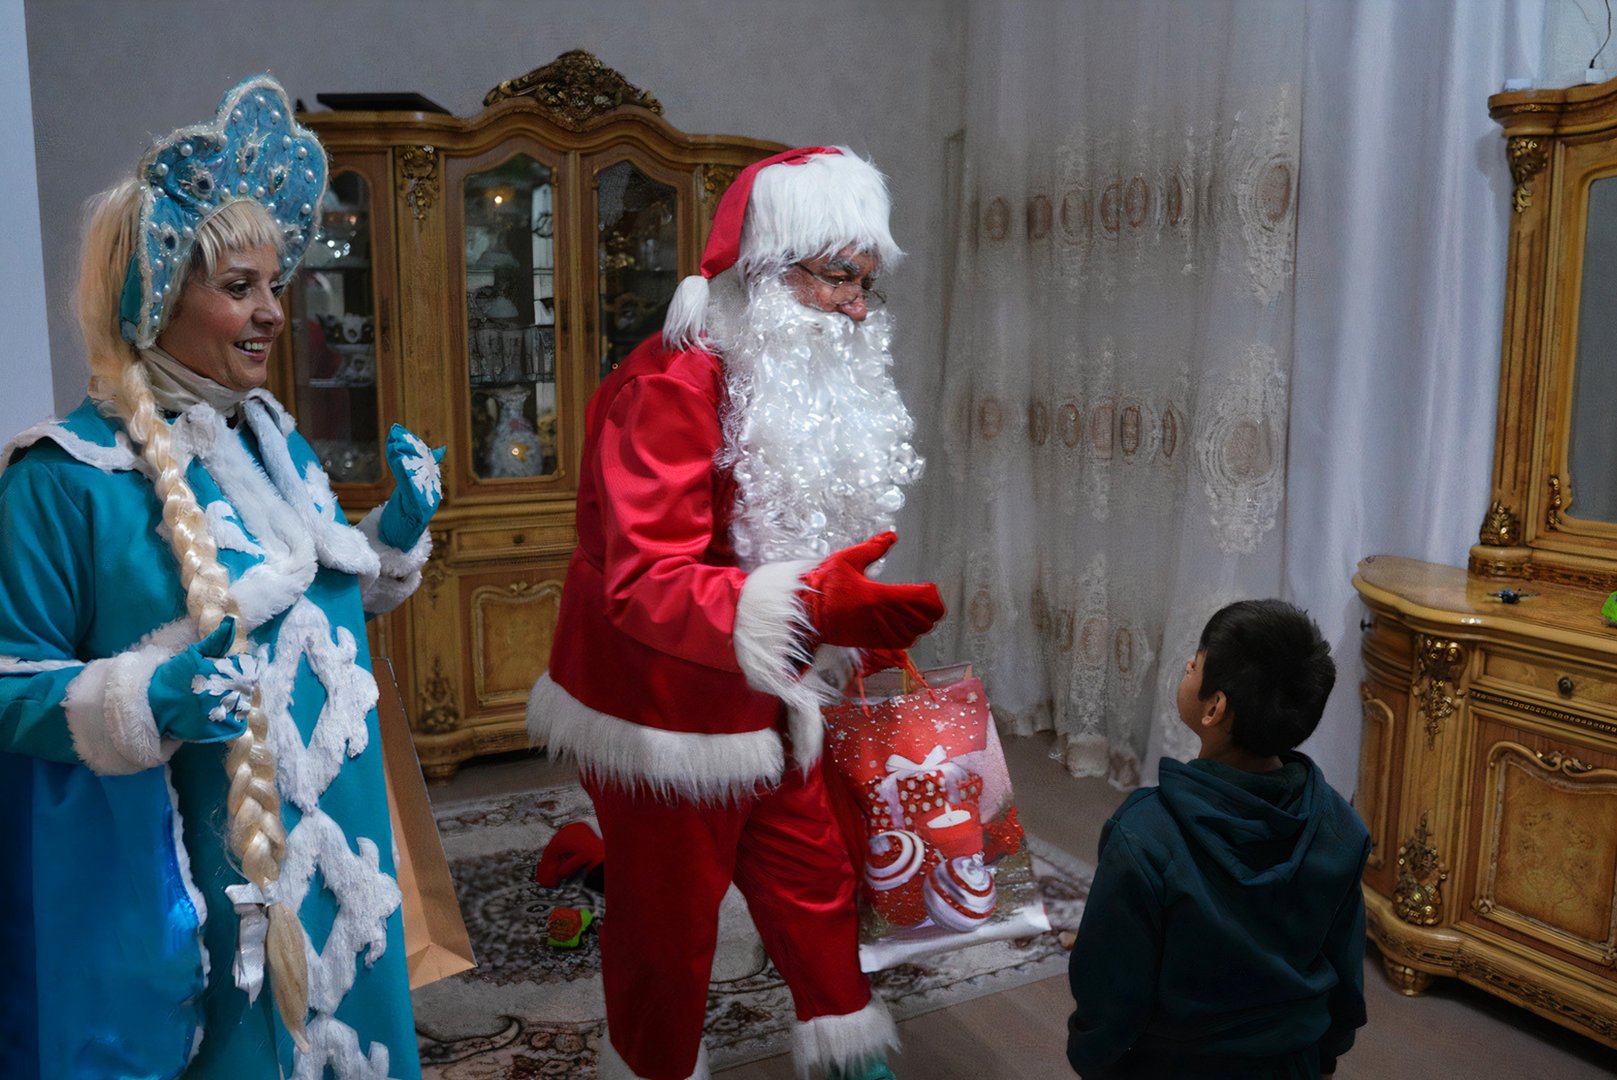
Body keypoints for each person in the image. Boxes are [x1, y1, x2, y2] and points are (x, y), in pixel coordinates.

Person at [0, 75, 441, 1080]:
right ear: (152, 294)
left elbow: (311, 607)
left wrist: (390, 536)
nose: (274, 314)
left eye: (275, 286)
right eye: (240, 287)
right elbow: (9, 684)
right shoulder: (62, 481)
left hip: (340, 866)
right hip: (201, 905)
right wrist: (145, 699)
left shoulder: (271, 438)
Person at [528, 146, 944, 1080]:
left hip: (773, 695)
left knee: (815, 881)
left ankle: (849, 1055)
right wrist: (812, 604)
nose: (856, 307)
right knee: (668, 930)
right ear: (765, 270)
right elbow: (644, 580)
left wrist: (847, 621)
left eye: (865, 284)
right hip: (663, 708)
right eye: (837, 278)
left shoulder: (787, 380)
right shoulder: (667, 387)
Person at [1065, 599, 1370, 1080]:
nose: (1188, 664)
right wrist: (1323, 1060)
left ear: (1215, 707)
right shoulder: (1341, 828)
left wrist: (1093, 1060)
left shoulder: (1145, 837)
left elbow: (1110, 994)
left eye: (1197, 662)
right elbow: (1345, 973)